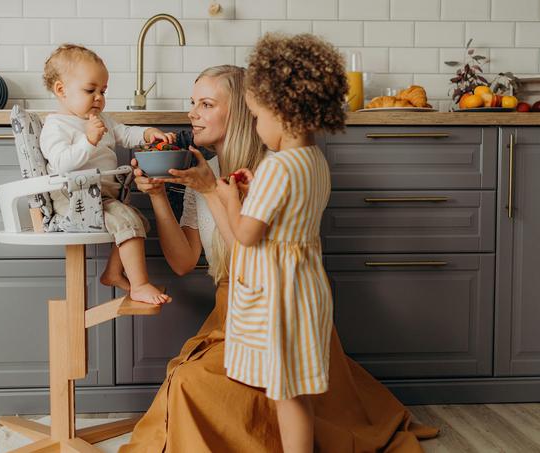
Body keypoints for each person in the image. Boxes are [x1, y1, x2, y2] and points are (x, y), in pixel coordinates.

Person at [119, 64, 438, 452]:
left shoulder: (271, 171)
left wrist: (210, 192)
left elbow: (252, 253)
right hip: (233, 310)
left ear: (244, 111)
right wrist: (157, 196)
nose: (192, 113)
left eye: (206, 104)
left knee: (199, 386)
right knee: (188, 380)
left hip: (273, 305)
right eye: (193, 103)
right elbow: (184, 261)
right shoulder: (204, 171)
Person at [214, 32, 343, 453]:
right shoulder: (313, 161)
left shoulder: (276, 166)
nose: (254, 126)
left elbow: (247, 235)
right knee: (295, 391)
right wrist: (254, 194)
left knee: (286, 394)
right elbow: (287, 215)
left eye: (255, 116)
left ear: (283, 112)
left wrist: (230, 199)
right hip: (305, 287)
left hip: (277, 296)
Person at [40, 43, 174, 305]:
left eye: (103, 90)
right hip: (73, 198)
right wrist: (88, 141)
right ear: (61, 90)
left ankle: (113, 273)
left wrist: (147, 134)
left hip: (100, 196)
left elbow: (125, 133)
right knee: (128, 223)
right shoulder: (56, 125)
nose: (99, 97)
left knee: (138, 221)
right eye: (90, 90)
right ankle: (139, 284)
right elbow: (61, 163)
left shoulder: (100, 118)